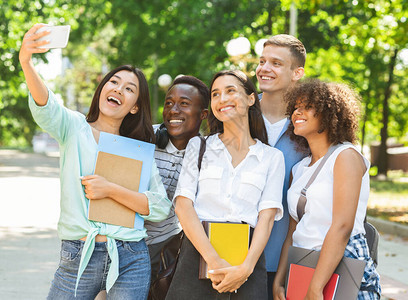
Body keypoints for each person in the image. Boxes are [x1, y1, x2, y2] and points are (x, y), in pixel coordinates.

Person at [19, 24, 171, 299]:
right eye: (114, 82)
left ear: (135, 106)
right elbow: (46, 106)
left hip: (129, 256)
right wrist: (27, 63)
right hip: (78, 253)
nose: (118, 89)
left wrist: (111, 190)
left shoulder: (138, 149)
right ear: (102, 89)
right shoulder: (74, 128)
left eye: (129, 89)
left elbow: (160, 206)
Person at [166, 70, 285, 300]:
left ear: (251, 98)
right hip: (197, 255)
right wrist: (214, 260)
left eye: (231, 91)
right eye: (215, 94)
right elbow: (183, 206)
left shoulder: (272, 157)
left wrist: (246, 268)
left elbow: (267, 218)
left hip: (247, 260)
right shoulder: (198, 147)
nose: (222, 99)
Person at [273, 79, 381, 299]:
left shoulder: (346, 156)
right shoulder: (299, 168)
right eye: (295, 107)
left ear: (330, 113)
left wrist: (316, 286)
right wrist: (279, 281)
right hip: (304, 264)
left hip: (341, 264)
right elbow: (292, 232)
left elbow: (342, 226)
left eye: (307, 106)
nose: (297, 112)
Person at [255, 34, 307, 298]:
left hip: (286, 261)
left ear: (297, 72)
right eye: (262, 61)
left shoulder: (309, 126)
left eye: (276, 63)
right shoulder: (240, 116)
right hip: (232, 255)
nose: (264, 69)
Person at [145, 76, 209, 284]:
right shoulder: (143, 137)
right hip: (126, 242)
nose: (173, 110)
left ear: (203, 115)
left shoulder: (208, 153)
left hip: (167, 246)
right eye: (169, 103)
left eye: (184, 104)